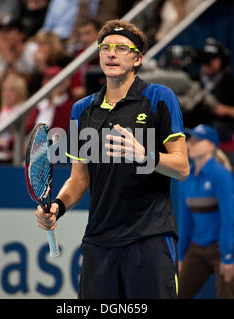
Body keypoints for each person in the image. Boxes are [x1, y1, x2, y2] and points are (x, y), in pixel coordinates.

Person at [35, 19, 190, 299]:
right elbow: (79, 178)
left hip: (149, 239)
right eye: (105, 47)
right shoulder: (82, 110)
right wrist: (57, 206)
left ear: (138, 58)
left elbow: (182, 168)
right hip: (99, 244)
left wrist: (145, 155)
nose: (111, 54)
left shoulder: (158, 98)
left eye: (121, 48)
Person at [177, 124, 234, 299]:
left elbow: (228, 218)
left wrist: (227, 256)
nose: (190, 144)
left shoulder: (220, 175)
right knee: (176, 294)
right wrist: (180, 255)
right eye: (190, 140)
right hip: (199, 246)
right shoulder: (187, 176)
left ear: (211, 146)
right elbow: (186, 221)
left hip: (228, 246)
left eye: (197, 140)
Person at [197, 38, 234, 146]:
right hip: (198, 138)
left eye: (212, 59)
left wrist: (221, 109)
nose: (207, 63)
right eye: (205, 59)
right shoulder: (195, 80)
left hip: (223, 138)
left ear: (221, 61)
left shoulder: (229, 81)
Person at [0, 74, 28, 164]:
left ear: (20, 91)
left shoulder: (24, 111)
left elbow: (22, 135)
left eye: (12, 90)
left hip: (14, 156)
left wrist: (2, 144)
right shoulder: (0, 114)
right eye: (5, 90)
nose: (7, 94)